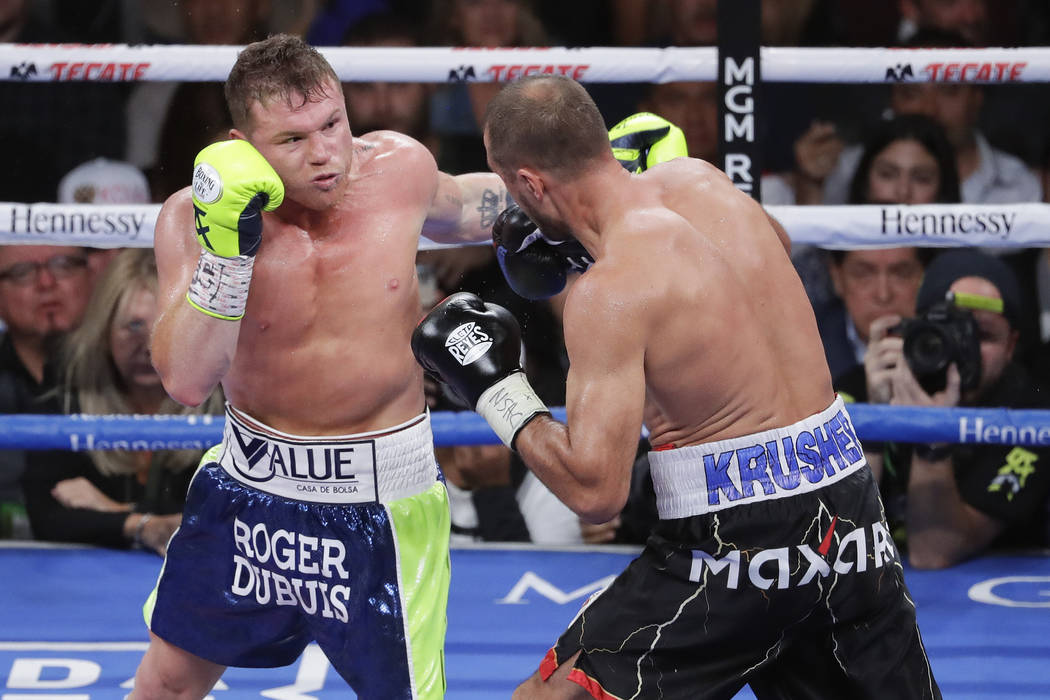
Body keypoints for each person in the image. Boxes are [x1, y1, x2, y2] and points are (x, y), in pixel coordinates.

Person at [414, 75, 940, 699]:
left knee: (550, 696)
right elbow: (776, 242)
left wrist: (497, 388)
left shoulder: (608, 294)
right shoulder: (700, 179)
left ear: (530, 184)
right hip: (849, 510)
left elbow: (596, 490)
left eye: (509, 187)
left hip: (732, 540)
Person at [129, 34, 510, 699]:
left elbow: (473, 204)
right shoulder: (191, 220)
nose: (326, 153)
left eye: (332, 123)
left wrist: (592, 185)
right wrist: (227, 257)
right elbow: (186, 380)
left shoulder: (398, 170)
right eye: (293, 140)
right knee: (164, 686)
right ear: (241, 146)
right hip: (251, 490)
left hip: (383, 500)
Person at [857, 248, 1050, 569]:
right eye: (948, 332)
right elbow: (835, 539)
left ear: (1011, 345)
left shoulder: (1033, 417)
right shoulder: (858, 389)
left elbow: (933, 552)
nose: (966, 349)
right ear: (914, 330)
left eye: (983, 335)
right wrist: (876, 423)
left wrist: (932, 438)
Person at [21, 249, 223, 554]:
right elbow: (46, 516)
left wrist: (112, 511)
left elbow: (216, 523)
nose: (148, 347)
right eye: (134, 326)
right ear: (105, 330)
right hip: (88, 582)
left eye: (162, 328)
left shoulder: (225, 399)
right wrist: (148, 526)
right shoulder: (69, 386)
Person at [815, 114, 956, 382]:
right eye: (863, 273)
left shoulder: (956, 344)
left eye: (901, 273)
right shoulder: (798, 350)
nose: (883, 294)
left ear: (927, 274)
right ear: (836, 276)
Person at [0, 244, 96, 538]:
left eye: (63, 265)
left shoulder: (140, 367)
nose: (46, 283)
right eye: (22, 273)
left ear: (93, 275)